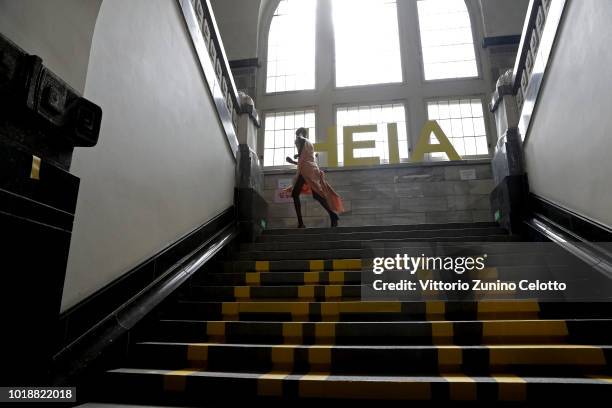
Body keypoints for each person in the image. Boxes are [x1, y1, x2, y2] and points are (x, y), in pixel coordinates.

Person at [285, 127, 344, 228]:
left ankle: (302, 223)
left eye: (297, 136)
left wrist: (299, 137)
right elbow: (305, 160)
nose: (296, 140)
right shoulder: (307, 146)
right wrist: (294, 160)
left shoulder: (304, 140)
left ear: (302, 134)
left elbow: (301, 140)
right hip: (308, 169)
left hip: (307, 170)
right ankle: (331, 215)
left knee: (297, 194)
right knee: (314, 195)